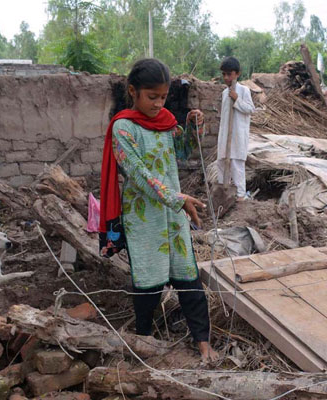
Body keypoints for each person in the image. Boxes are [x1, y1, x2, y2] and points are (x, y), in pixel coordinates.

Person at [98, 58, 218, 362]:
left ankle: (204, 343)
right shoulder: (123, 128)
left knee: (188, 276)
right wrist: (178, 198)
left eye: (163, 97)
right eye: (152, 97)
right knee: (148, 283)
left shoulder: (165, 122)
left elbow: (183, 151)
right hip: (144, 216)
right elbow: (138, 175)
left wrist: (193, 128)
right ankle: (144, 341)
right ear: (133, 91)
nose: (158, 103)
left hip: (173, 213)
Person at [217, 56, 255, 200]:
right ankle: (222, 191)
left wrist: (237, 99)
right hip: (225, 134)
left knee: (236, 163)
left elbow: (251, 109)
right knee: (221, 161)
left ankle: (240, 195)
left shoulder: (244, 90)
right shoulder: (224, 93)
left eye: (229, 74)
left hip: (238, 134)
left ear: (237, 74)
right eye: (224, 74)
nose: (226, 77)